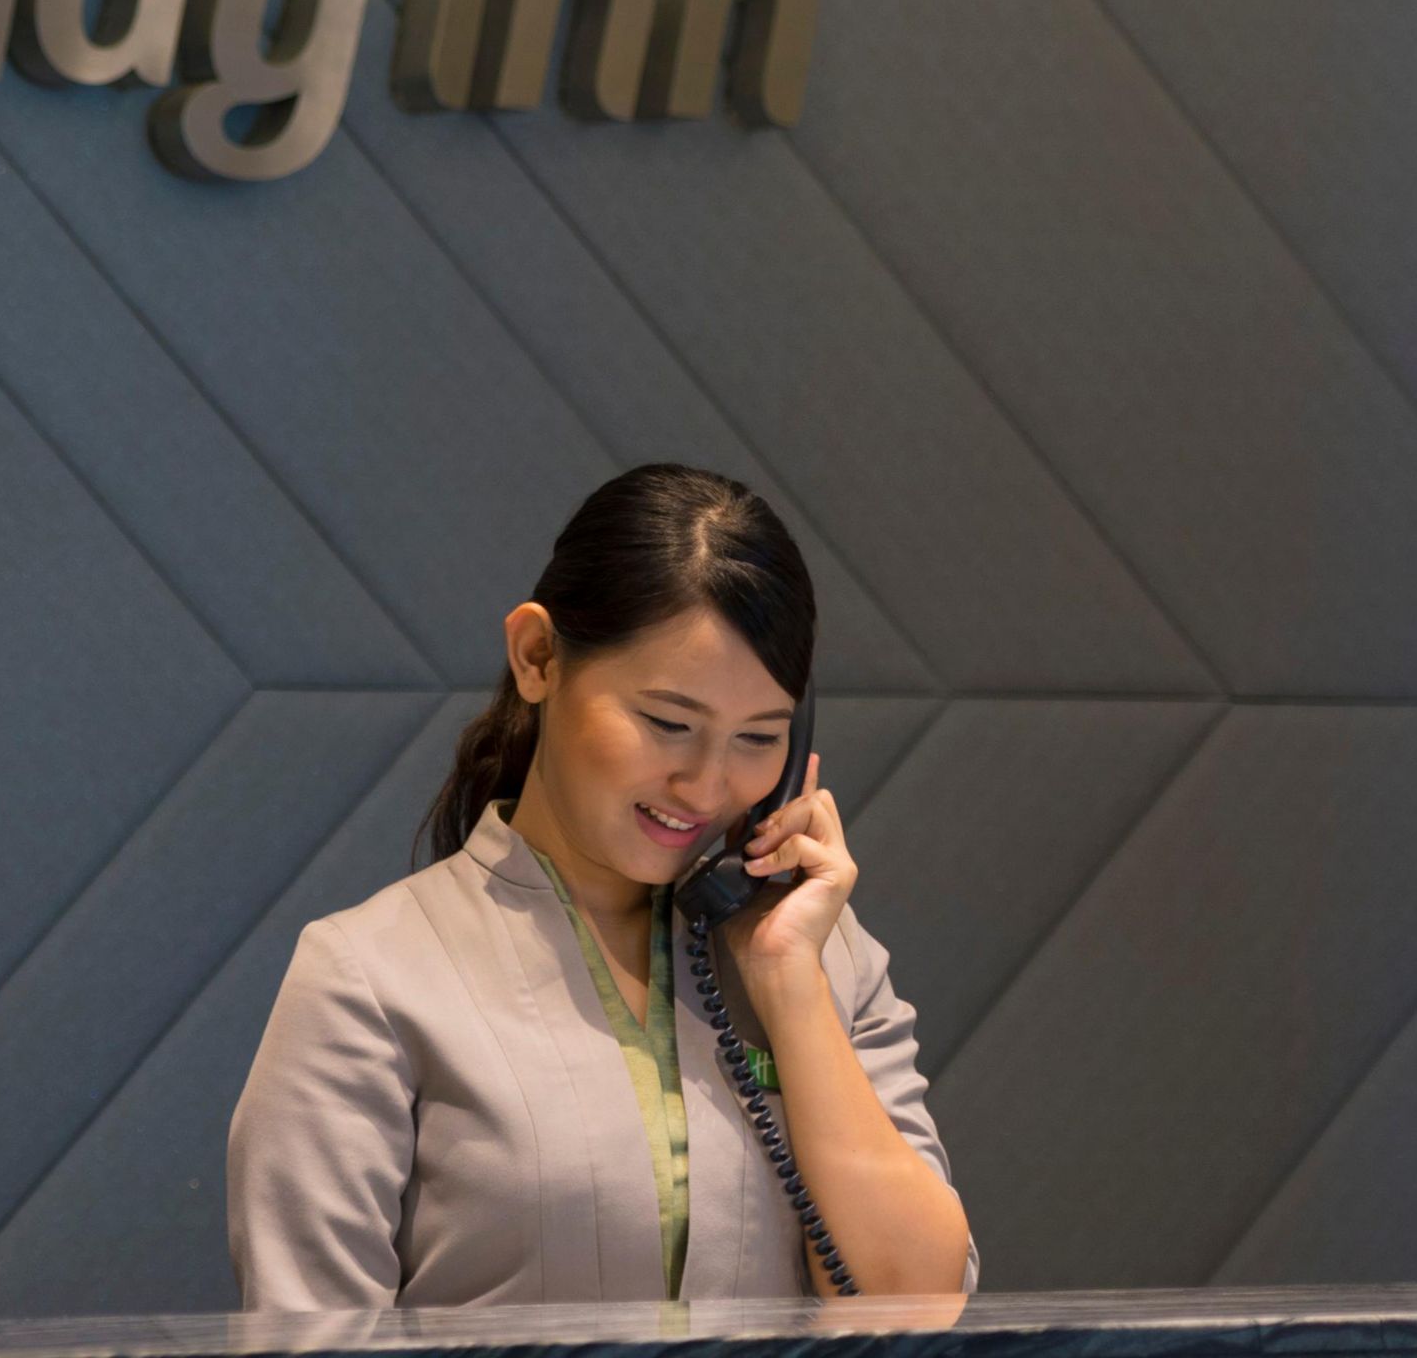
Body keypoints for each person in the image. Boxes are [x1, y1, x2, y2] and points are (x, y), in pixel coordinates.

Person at [226, 464, 976, 1305]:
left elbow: (921, 1304)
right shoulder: (367, 977)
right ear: (538, 657)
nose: (706, 784)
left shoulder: (825, 958)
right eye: (669, 723)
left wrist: (789, 983)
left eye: (759, 738)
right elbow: (310, 1335)